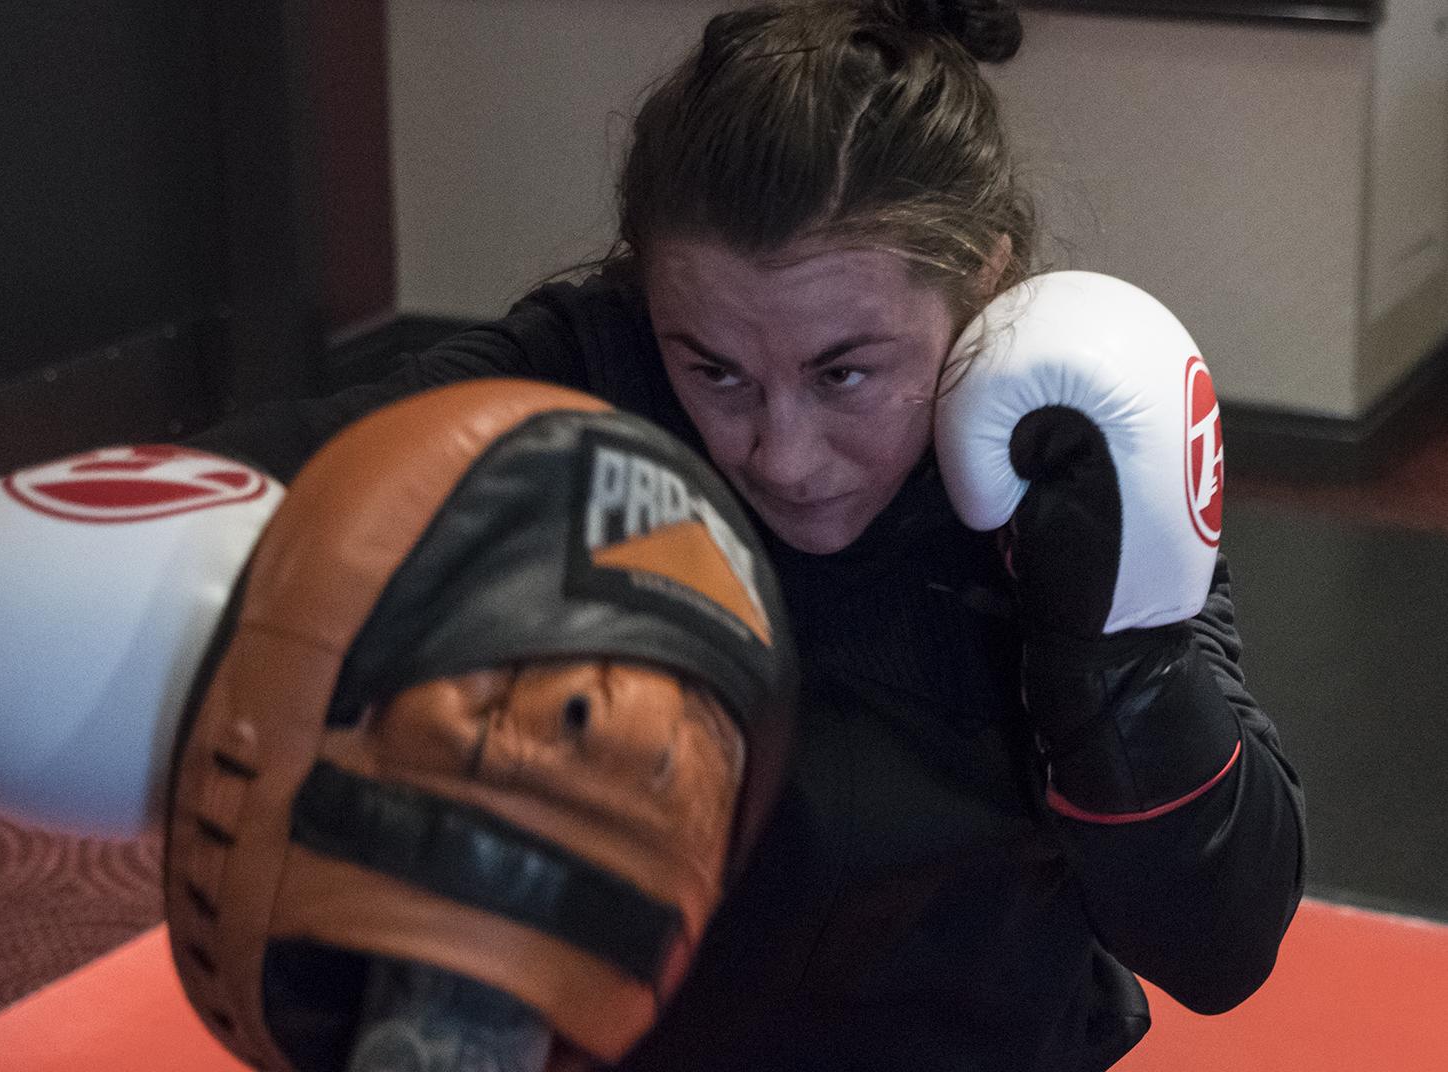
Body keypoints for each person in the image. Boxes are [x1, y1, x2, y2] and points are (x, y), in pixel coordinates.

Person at [186, 1, 1307, 1069]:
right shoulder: (593, 372)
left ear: (986, 277)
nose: (782, 452)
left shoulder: (1076, 447)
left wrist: (1120, 656)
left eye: (845, 372)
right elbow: (240, 489)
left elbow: (1219, 951)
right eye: (714, 368)